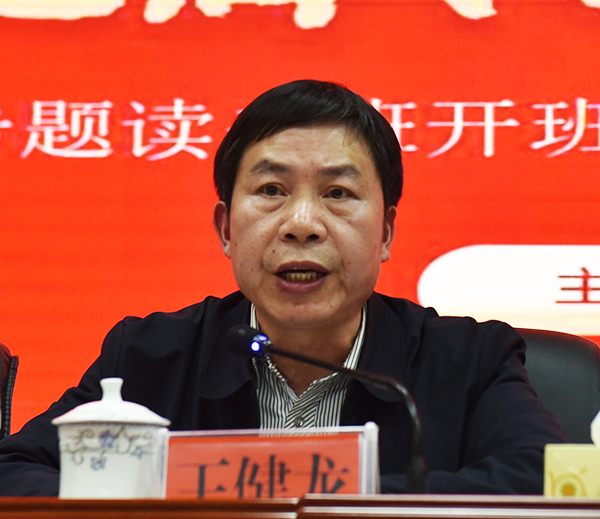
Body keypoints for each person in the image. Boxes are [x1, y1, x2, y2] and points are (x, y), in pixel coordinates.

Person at [0, 80, 567, 496]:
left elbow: (545, 478)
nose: (302, 223)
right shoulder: (150, 356)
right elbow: (15, 471)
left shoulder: (470, 360)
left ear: (386, 233)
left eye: (338, 194)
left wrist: (294, 495)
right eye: (271, 190)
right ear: (226, 229)